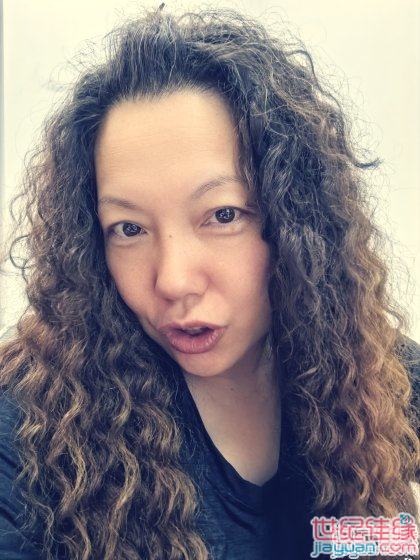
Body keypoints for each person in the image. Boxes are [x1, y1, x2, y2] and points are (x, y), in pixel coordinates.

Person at [0, 6, 419, 560]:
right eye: (129, 229)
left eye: (223, 215)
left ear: (299, 226)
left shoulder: (380, 377)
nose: (173, 281)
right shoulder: (27, 434)